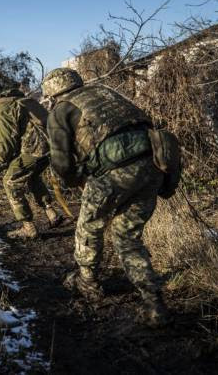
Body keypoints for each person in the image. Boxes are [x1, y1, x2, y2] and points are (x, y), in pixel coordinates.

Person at [42, 67, 169, 326]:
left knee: (89, 226)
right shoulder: (106, 92)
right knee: (127, 236)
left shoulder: (60, 110)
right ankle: (154, 303)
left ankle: (87, 282)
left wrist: (75, 180)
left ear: (52, 93)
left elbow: (61, 163)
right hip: (154, 164)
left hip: (114, 173)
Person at [0, 79, 62, 239]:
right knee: (31, 175)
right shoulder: (18, 100)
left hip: (35, 150)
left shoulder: (0, 110)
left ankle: (28, 227)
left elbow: (6, 146)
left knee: (10, 181)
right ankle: (51, 213)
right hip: (51, 148)